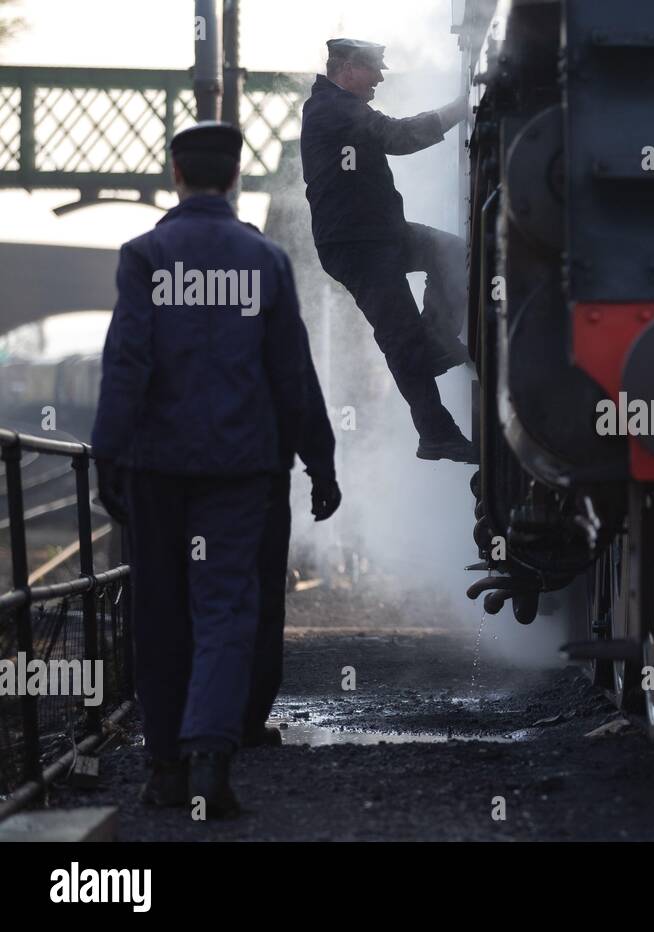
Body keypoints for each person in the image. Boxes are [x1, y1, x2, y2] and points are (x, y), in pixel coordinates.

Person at [93, 121, 309, 819]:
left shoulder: (145, 255)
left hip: (157, 467)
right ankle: (211, 763)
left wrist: (107, 453)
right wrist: (321, 461)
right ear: (236, 177)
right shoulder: (266, 260)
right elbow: (291, 372)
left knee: (159, 612)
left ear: (176, 174)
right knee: (226, 610)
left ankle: (164, 770)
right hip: (240, 470)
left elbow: (128, 362)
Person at [300, 37, 476, 463]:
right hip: (357, 243)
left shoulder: (340, 108)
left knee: (453, 254)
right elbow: (398, 136)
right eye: (374, 68)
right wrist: (460, 107)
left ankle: (435, 342)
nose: (380, 77)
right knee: (400, 336)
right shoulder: (333, 109)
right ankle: (436, 433)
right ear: (347, 68)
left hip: (380, 235)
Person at [243, 326, 341, 748]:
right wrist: (321, 465)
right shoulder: (266, 277)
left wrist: (117, 457)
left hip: (177, 474)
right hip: (256, 471)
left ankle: (179, 737)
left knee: (185, 598)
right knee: (261, 599)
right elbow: (297, 381)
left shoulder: (157, 274)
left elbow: (129, 368)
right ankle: (246, 721)